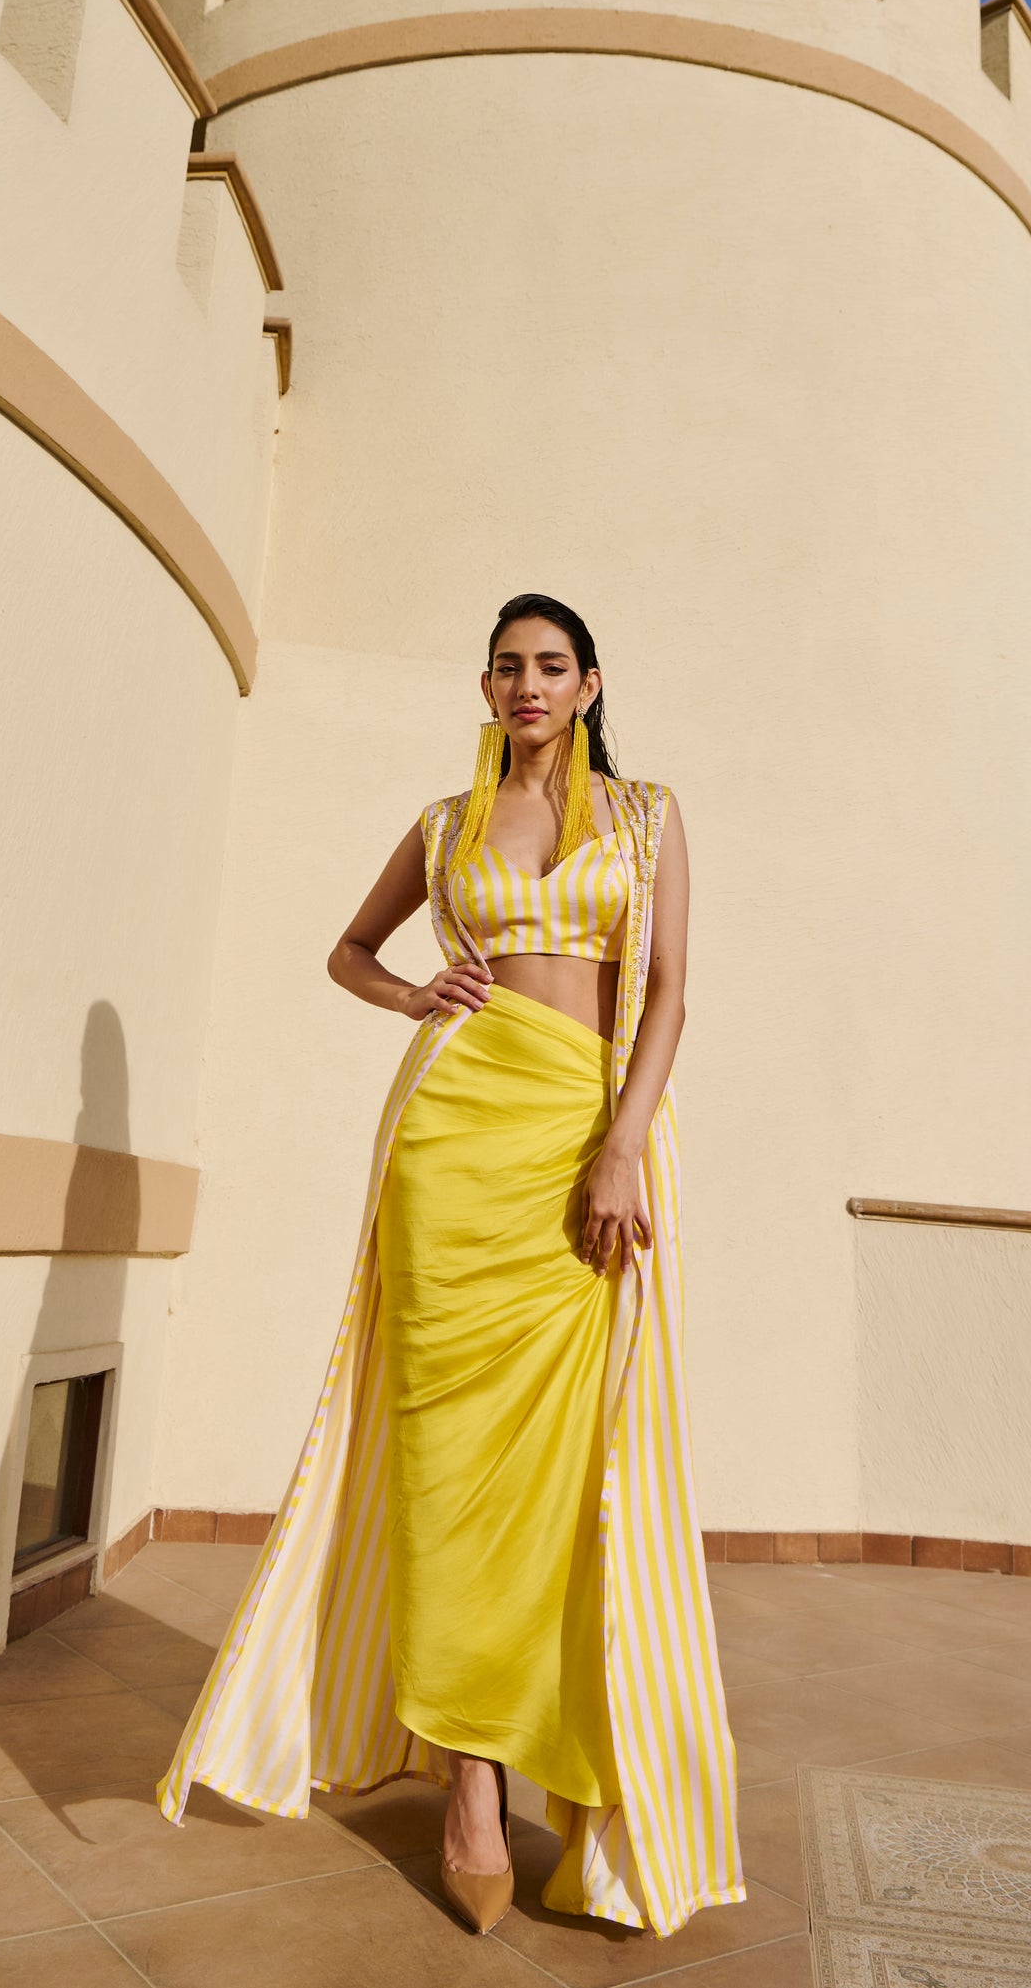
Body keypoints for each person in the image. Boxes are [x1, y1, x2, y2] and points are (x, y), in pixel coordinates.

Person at [158, 595, 743, 1938]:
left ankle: (547, 1756)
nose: (525, 683)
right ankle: (469, 1785)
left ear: (589, 682)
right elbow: (347, 951)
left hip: (580, 1151)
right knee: (439, 1465)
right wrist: (411, 994)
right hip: (445, 1152)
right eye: (505, 666)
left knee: (560, 1475)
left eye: (549, 665)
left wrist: (621, 1144)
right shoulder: (443, 827)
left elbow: (665, 991)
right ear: (485, 687)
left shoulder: (646, 814)